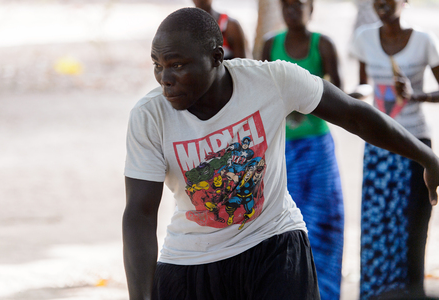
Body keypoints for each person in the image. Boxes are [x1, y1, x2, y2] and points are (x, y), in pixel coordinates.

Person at [123, 7, 439, 300]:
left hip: (274, 244)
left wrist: (427, 156)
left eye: (177, 65)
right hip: (191, 260)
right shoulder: (150, 116)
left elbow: (355, 115)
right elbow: (140, 213)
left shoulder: (271, 81)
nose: (165, 78)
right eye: (157, 65)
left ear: (217, 56)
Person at [349, 0, 439, 298]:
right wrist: (355, 94)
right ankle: (379, 292)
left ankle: (413, 292)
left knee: (413, 230)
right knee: (377, 228)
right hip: (379, 145)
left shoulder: (424, 41)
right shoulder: (364, 38)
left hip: (415, 145)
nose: (382, 4)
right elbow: (364, 85)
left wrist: (417, 95)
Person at [261, 0, 344, 299]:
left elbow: (340, 97)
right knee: (287, 226)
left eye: (298, 5)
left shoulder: (323, 45)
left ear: (311, 8)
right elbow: (261, 96)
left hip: (318, 149)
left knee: (325, 223)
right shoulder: (271, 45)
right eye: (286, 6)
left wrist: (305, 109)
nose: (292, 11)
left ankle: (328, 293)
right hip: (283, 151)